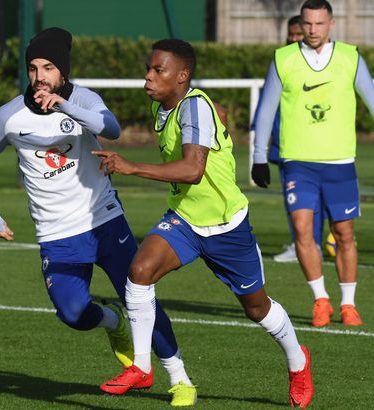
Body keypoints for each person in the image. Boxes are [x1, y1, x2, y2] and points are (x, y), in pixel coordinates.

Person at [0, 27, 197, 406]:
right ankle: (112, 324)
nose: (40, 76)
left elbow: (111, 129)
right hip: (56, 233)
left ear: (62, 72)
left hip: (104, 220)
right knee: (72, 312)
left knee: (141, 298)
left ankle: (179, 378)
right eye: (33, 68)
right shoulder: (9, 116)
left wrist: (64, 106)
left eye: (48, 68)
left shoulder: (83, 99)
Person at [94, 38, 313, 408]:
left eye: (157, 70)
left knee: (256, 308)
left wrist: (131, 166)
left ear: (182, 76)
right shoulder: (167, 106)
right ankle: (143, 368)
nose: (147, 77)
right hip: (184, 220)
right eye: (148, 68)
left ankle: (298, 361)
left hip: (227, 226)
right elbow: (218, 118)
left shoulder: (193, 107)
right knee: (140, 270)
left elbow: (193, 170)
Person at [252, 0, 374, 327]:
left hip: (340, 162)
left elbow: (373, 99)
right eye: (307, 24)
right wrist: (259, 158)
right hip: (297, 162)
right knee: (304, 230)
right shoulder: (283, 59)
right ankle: (321, 300)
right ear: (301, 24)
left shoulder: (350, 57)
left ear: (331, 24)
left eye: (319, 24)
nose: (313, 30)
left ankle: (348, 304)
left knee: (344, 234)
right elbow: (265, 109)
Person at [252, 15, 322, 263]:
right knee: (293, 199)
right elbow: (268, 105)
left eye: (297, 33)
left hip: (306, 146)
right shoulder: (282, 61)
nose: (293, 38)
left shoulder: (315, 64)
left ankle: (308, 243)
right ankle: (302, 242)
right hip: (283, 144)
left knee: (309, 200)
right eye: (290, 34)